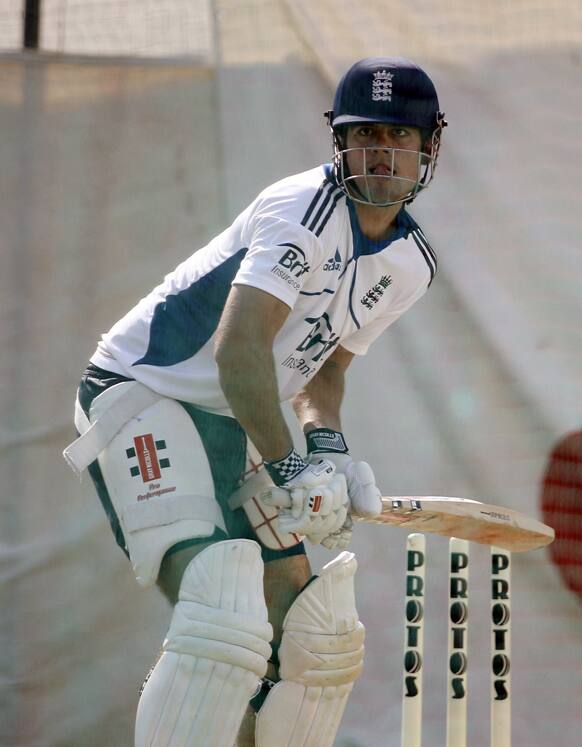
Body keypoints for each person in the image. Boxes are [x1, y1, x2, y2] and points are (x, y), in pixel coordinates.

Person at [63, 56, 446, 747]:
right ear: (340, 141)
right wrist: (293, 470)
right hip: (142, 392)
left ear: (429, 146)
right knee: (222, 613)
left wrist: (327, 447)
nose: (381, 150)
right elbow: (239, 350)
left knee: (312, 637)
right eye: (365, 134)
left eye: (399, 134)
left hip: (234, 420)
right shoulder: (302, 209)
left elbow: (325, 369)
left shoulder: (410, 267)